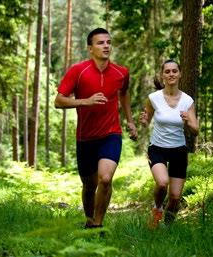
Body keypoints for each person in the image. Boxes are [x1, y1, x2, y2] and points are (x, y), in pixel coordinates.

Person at [54, 28, 138, 228]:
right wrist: (86, 102)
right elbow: (58, 101)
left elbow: (124, 93)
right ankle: (89, 220)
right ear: (90, 48)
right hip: (85, 138)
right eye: (100, 43)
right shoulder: (78, 71)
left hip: (111, 134)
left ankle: (97, 225)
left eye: (108, 42)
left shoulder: (121, 72)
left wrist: (130, 120)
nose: (106, 46)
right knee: (89, 186)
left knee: (106, 178)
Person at [139, 59, 199, 228]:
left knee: (175, 197)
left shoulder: (187, 101)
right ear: (162, 75)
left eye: (174, 71)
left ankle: (168, 229)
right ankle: (157, 209)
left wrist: (188, 122)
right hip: (157, 148)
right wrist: (143, 121)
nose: (171, 74)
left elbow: (195, 130)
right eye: (167, 71)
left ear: (180, 74)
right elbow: (147, 120)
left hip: (179, 150)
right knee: (162, 183)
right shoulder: (153, 98)